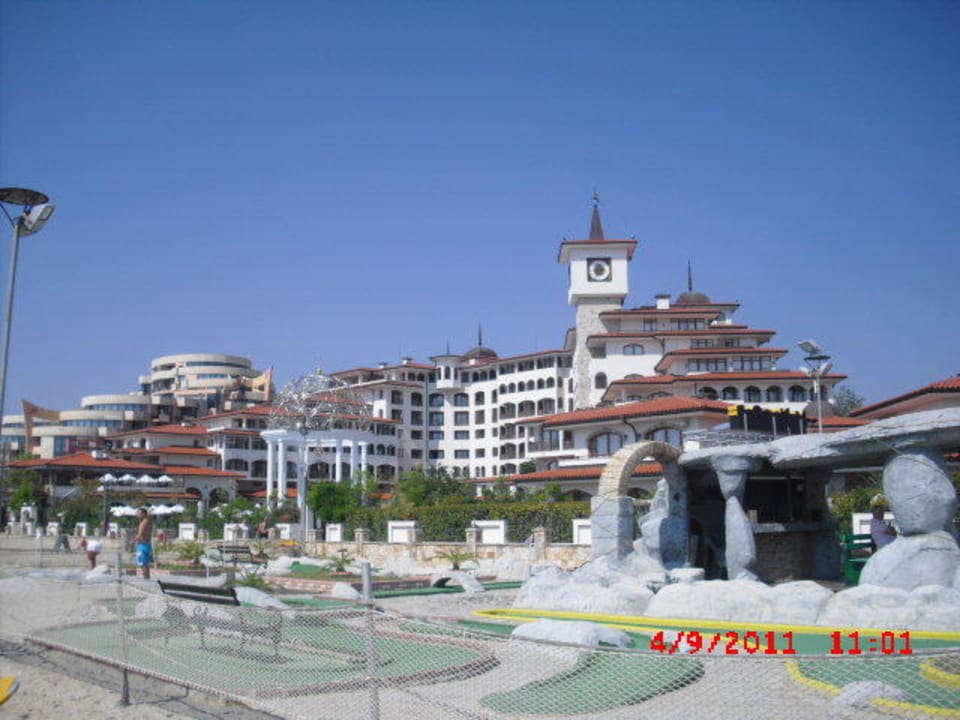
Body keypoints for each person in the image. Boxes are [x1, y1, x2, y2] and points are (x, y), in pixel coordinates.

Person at [134, 507, 154, 579]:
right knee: (145, 564)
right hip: (146, 544)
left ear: (143, 514)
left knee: (142, 564)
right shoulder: (147, 521)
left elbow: (140, 534)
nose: (137, 515)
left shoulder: (144, 522)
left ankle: (145, 578)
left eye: (139, 513)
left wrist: (133, 541)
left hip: (143, 545)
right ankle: (146, 578)